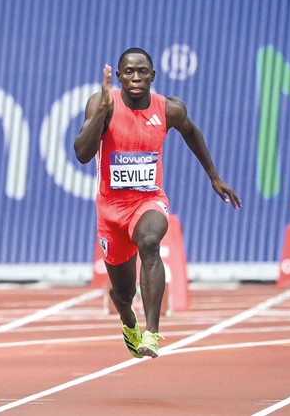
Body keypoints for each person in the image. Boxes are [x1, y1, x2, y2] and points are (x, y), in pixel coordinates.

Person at [74, 48, 242, 358]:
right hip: (110, 211)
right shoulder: (102, 104)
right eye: (128, 72)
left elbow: (192, 133)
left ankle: (152, 333)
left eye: (141, 72)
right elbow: (82, 153)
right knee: (123, 293)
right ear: (120, 76)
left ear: (153, 76)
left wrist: (213, 176)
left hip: (148, 202)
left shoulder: (169, 109)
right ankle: (128, 319)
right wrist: (102, 113)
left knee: (150, 241)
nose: (135, 78)